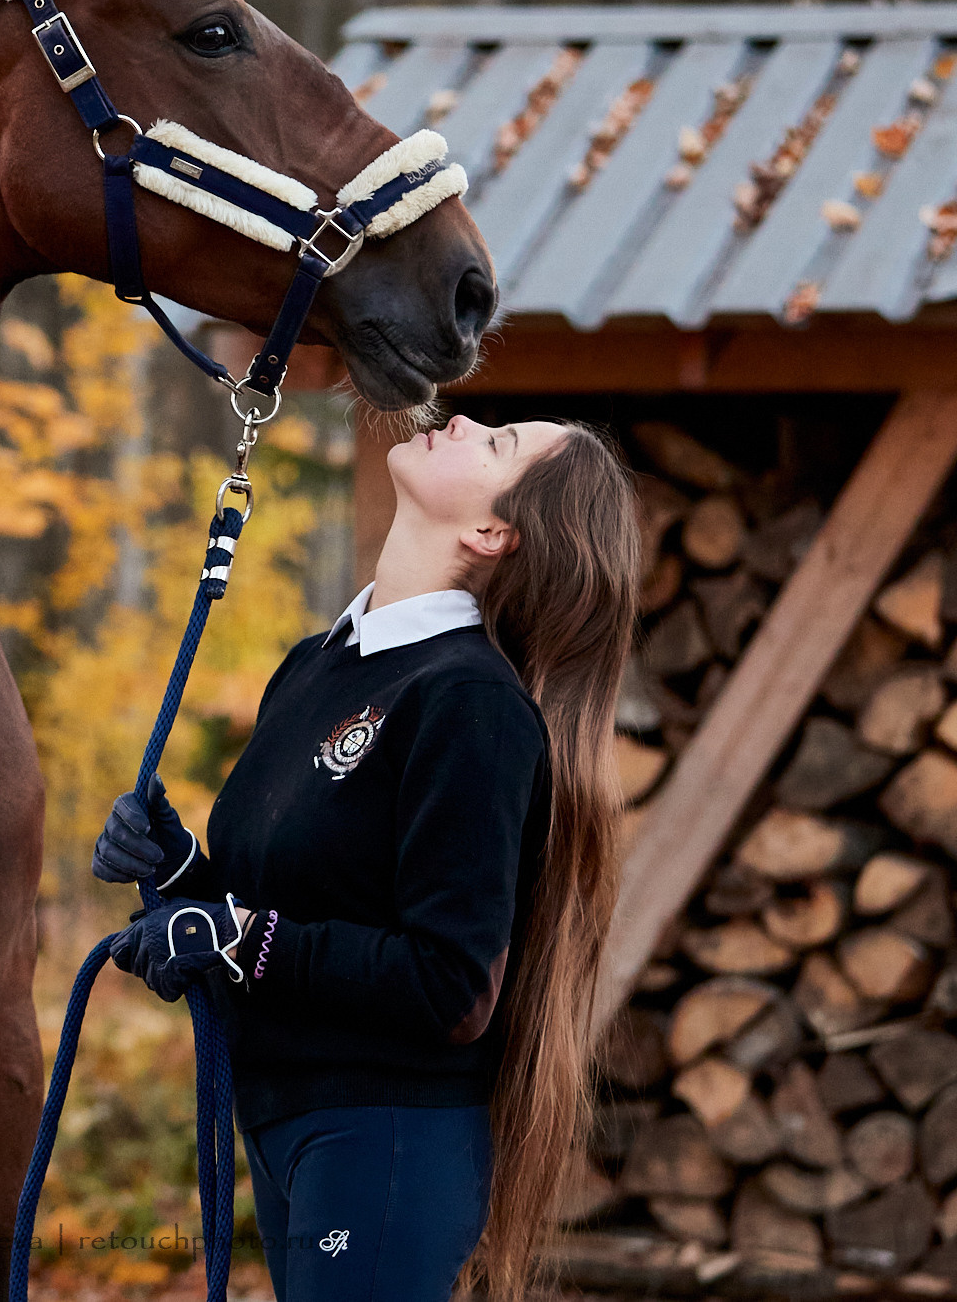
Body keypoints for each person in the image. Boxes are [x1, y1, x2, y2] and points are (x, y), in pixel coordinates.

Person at [94, 410, 643, 1302]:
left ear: (491, 532)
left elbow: (451, 983)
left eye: (497, 442)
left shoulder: (469, 702)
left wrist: (238, 937)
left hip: (384, 1136)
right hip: (288, 1121)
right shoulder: (316, 664)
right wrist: (183, 873)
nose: (463, 417)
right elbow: (297, 906)